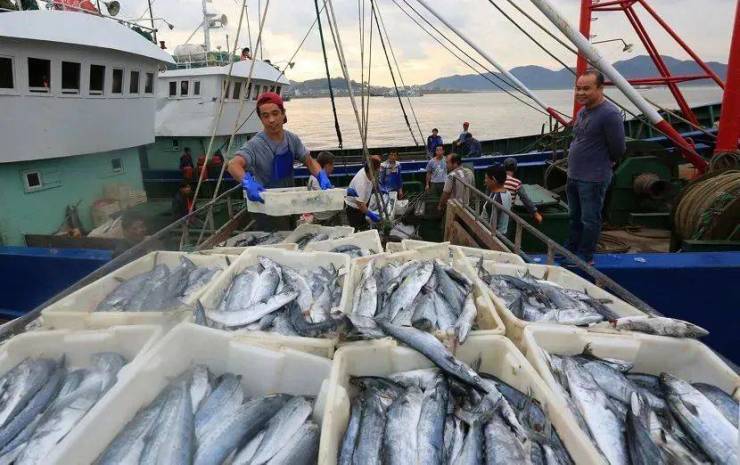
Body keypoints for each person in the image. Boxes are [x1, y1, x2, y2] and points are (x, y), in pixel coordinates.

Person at [227, 92, 332, 230]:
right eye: (265, 116)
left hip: (289, 202)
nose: (271, 120)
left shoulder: (292, 139)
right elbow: (233, 165)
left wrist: (321, 175)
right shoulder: (255, 144)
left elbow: (310, 161)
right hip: (266, 207)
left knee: (291, 233)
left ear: (283, 114)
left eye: (275, 113)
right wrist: (247, 182)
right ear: (261, 119)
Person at [565, 69, 626, 265]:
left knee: (589, 219)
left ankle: (585, 256)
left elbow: (618, 148)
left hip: (593, 178)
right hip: (574, 175)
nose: (580, 93)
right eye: (578, 88)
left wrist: (605, 163)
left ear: (600, 88)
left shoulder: (610, 114)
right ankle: (571, 249)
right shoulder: (583, 111)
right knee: (574, 216)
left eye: (586, 89)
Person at [345, 155, 383, 231]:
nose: (379, 171)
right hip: (354, 209)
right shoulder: (361, 182)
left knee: (364, 225)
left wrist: (379, 188)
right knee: (358, 230)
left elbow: (373, 181)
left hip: (362, 205)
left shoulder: (369, 173)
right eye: (378, 170)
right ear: (373, 170)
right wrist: (371, 215)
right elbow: (360, 204)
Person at [503, 157, 543, 224]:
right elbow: (525, 198)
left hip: (495, 210)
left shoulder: (497, 179)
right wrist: (535, 213)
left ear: (504, 168)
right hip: (506, 214)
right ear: (515, 169)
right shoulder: (516, 183)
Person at [307, 151, 340, 225]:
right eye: (332, 165)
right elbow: (325, 199)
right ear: (327, 165)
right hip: (322, 216)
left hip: (319, 212)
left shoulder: (317, 177)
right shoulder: (316, 179)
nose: (333, 168)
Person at [482, 164, 512, 234]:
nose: (485, 181)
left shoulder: (496, 199)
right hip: (502, 233)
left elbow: (492, 226)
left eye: (486, 178)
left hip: (493, 236)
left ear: (494, 179)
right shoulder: (507, 193)